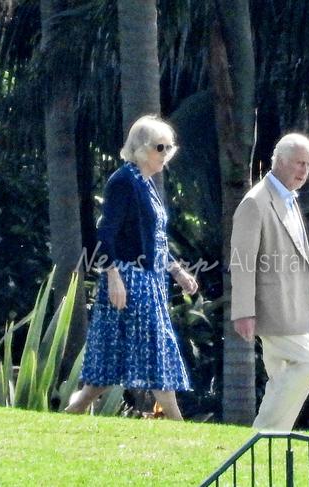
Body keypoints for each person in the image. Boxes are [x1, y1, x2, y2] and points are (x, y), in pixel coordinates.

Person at [65, 115, 198, 420]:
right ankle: (180, 425)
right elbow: (106, 233)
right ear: (141, 149)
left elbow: (154, 240)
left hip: (148, 281)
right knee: (156, 350)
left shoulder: (146, 183)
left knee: (111, 363)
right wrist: (113, 277)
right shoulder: (123, 181)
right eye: (159, 147)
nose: (165, 154)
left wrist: (176, 271)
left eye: (169, 148)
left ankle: (71, 412)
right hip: (129, 280)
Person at [230, 133, 309, 431]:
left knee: (281, 379)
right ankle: (262, 434)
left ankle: (272, 440)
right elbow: (241, 262)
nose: (303, 170)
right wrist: (243, 312)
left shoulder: (288, 199)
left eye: (308, 164)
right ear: (279, 161)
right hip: (273, 309)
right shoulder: (255, 202)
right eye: (298, 163)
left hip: (292, 308)